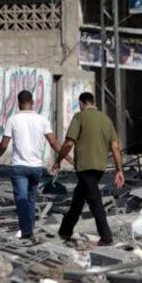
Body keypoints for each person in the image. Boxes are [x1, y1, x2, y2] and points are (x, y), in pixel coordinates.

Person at [0, 90, 70, 245]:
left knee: (22, 199)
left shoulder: (13, 119)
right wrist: (67, 157)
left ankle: (27, 232)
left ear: (18, 103)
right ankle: (29, 228)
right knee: (31, 199)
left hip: (19, 167)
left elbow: (4, 145)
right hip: (36, 168)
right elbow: (53, 142)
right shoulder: (42, 120)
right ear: (32, 102)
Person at [53, 92, 124, 246]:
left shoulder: (80, 117)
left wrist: (58, 159)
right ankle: (65, 231)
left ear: (81, 103)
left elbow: (68, 144)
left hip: (85, 167)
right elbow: (115, 147)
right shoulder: (106, 119)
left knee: (95, 201)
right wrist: (119, 170)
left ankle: (106, 237)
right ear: (93, 102)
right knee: (78, 199)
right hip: (100, 167)